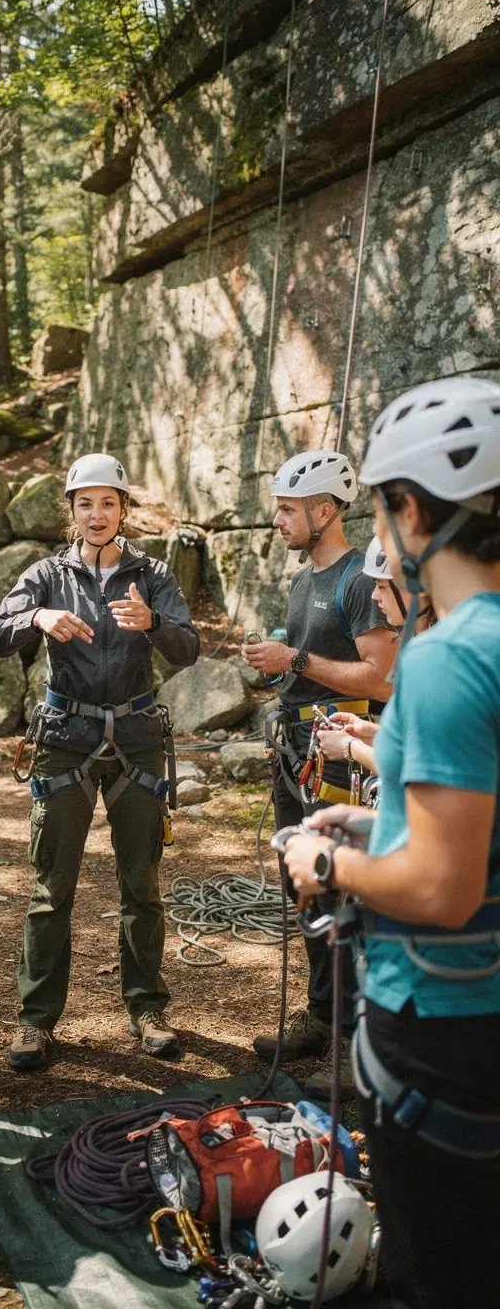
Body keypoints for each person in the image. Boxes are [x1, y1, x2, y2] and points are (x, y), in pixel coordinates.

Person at [284, 375, 500, 1309]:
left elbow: (443, 888)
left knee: (446, 1298)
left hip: (443, 1025)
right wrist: (383, 818)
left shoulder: (450, 659)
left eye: (380, 507)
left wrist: (327, 864)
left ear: (411, 511)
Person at [0, 453, 200, 1071]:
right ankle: (35, 1020)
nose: (97, 515)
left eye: (108, 503)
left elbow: (188, 649)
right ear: (71, 512)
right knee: (52, 888)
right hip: (65, 737)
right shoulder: (47, 575)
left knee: (142, 884)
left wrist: (154, 623)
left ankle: (147, 1009)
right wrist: (37, 616)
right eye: (85, 504)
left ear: (124, 509)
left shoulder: (152, 574)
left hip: (136, 737)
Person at [241, 449, 395, 1097]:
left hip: (341, 755)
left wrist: (296, 660)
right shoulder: (306, 580)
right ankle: (322, 1013)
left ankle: (355, 1041)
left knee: (341, 891)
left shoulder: (360, 580)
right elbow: (310, 664)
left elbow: (379, 677)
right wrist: (278, 668)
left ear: (325, 510)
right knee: (300, 880)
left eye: (287, 509)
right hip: (298, 749)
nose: (277, 520)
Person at [317, 535, 434, 777]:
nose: (374, 596)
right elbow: (421, 745)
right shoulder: (423, 649)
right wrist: (375, 735)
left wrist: (351, 748)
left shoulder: (435, 660)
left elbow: (425, 768)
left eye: (381, 586)